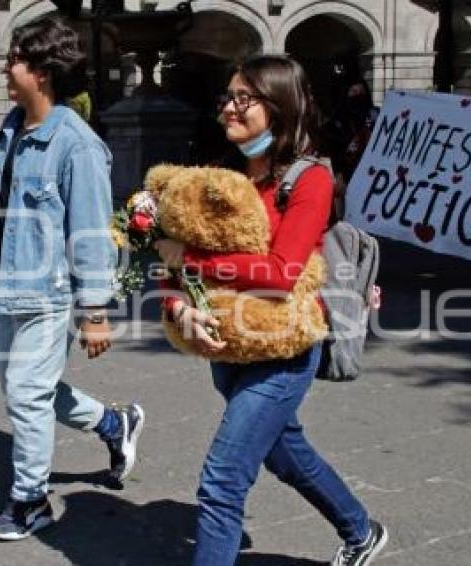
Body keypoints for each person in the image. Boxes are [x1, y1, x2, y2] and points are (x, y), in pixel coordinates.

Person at [154, 55, 387, 566]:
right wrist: (180, 310)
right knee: (286, 453)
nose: (230, 108)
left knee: (221, 480)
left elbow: (282, 272)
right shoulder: (221, 174)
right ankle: (360, 529)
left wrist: (191, 258)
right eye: (229, 97)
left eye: (244, 98)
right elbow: (171, 271)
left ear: (279, 106)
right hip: (227, 344)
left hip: (284, 350)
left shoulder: (310, 179)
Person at [0, 18, 144, 542]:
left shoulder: (76, 145)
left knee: (25, 394)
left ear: (41, 72)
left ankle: (30, 500)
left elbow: (89, 231)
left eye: (13, 58)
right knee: (29, 392)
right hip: (9, 285)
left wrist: (97, 313)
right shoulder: (13, 129)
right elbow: (11, 205)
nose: (4, 68)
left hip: (49, 292)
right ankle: (114, 424)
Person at [323, 78, 379, 220]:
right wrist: (338, 175)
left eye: (361, 92)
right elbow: (333, 150)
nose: (358, 96)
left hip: (372, 176)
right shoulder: (336, 122)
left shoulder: (375, 116)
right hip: (347, 176)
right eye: (354, 91)